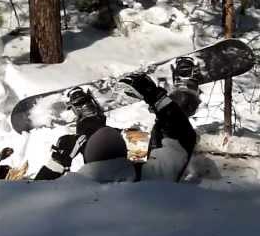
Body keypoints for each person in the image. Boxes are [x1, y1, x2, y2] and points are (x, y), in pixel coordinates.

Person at [34, 58, 200, 183]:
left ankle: (90, 122)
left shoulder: (77, 189)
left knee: (91, 136)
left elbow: (32, 200)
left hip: (102, 172)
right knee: (144, 137)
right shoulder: (151, 179)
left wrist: (57, 163)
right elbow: (183, 140)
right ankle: (183, 98)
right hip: (137, 164)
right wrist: (156, 98)